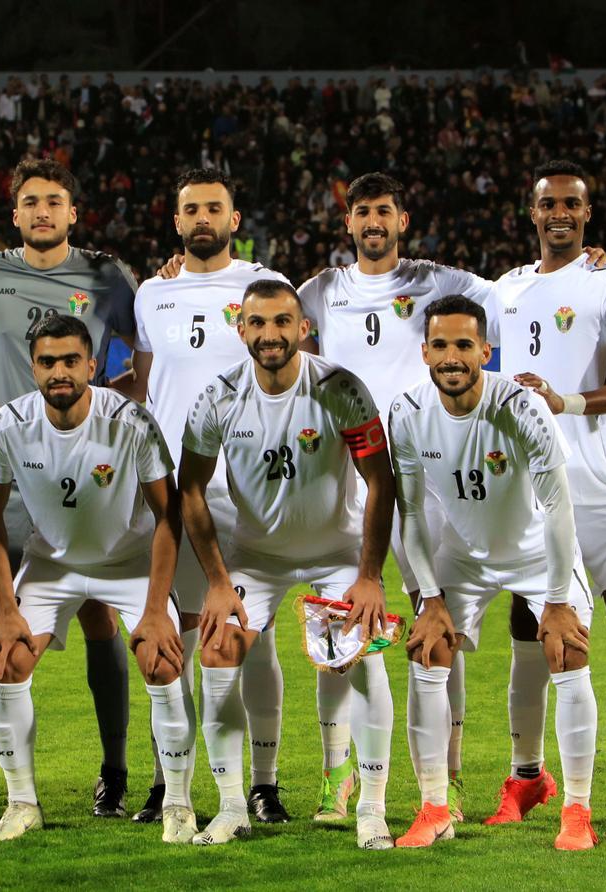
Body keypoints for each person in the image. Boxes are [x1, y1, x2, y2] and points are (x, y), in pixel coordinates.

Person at [295, 171, 606, 822]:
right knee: (334, 641)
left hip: (422, 483)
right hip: (344, 480)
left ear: (402, 221)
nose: (374, 222)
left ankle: (451, 780)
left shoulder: (443, 282)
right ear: (347, 223)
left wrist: (582, 267)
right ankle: (338, 776)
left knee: (438, 630)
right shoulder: (318, 291)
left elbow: (526, 294)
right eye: (362, 212)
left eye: (385, 210)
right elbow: (277, 347)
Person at [492, 159, 606, 837]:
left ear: (587, 213)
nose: (561, 214)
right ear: (532, 213)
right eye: (550, 205)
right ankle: (525, 776)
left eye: (573, 204)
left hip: (601, 487)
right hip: (532, 495)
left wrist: (561, 401)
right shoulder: (504, 290)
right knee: (526, 632)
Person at [180, 280, 395, 848]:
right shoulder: (218, 397)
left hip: (336, 553)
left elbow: (381, 480)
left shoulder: (340, 389)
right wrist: (218, 583)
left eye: (282, 322)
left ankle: (370, 807)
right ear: (241, 328)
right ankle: (231, 808)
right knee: (218, 650)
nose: (270, 334)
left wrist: (369, 577)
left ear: (303, 328)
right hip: (257, 559)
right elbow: (190, 490)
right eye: (258, 322)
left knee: (362, 656)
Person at [389, 294, 599, 851]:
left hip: (537, 553)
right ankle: (435, 806)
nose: (451, 357)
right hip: (461, 557)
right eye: (440, 345)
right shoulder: (407, 412)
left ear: (486, 350)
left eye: (464, 345)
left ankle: (577, 810)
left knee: (568, 650)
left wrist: (556, 601)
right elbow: (410, 512)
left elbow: (558, 508)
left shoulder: (522, 408)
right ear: (425, 352)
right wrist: (429, 597)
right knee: (427, 650)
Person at [0, 159, 140, 817]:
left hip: (85, 464)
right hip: (10, 473)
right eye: (31, 201)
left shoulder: (105, 277)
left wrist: (112, 397)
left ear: (73, 213)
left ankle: (115, 772)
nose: (42, 211)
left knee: (99, 611)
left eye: (55, 201)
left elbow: (144, 349)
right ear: (15, 214)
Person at [0, 314, 195, 843]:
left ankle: (179, 805)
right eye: (48, 361)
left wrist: (154, 609)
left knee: (162, 661)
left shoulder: (131, 422)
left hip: (127, 562)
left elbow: (169, 516)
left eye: (71, 361)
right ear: (32, 367)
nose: (59, 372)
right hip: (52, 563)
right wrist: (7, 610)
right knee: (6, 660)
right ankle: (22, 802)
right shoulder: (6, 425)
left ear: (92, 366)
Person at [126, 168, 294, 824]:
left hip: (249, 487)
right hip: (172, 491)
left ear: (234, 217)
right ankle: (173, 783)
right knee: (174, 636)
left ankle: (265, 782)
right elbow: (145, 387)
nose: (202, 218)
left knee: (255, 639)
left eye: (213, 208)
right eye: (190, 208)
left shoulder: (264, 288)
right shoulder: (151, 293)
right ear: (176, 221)